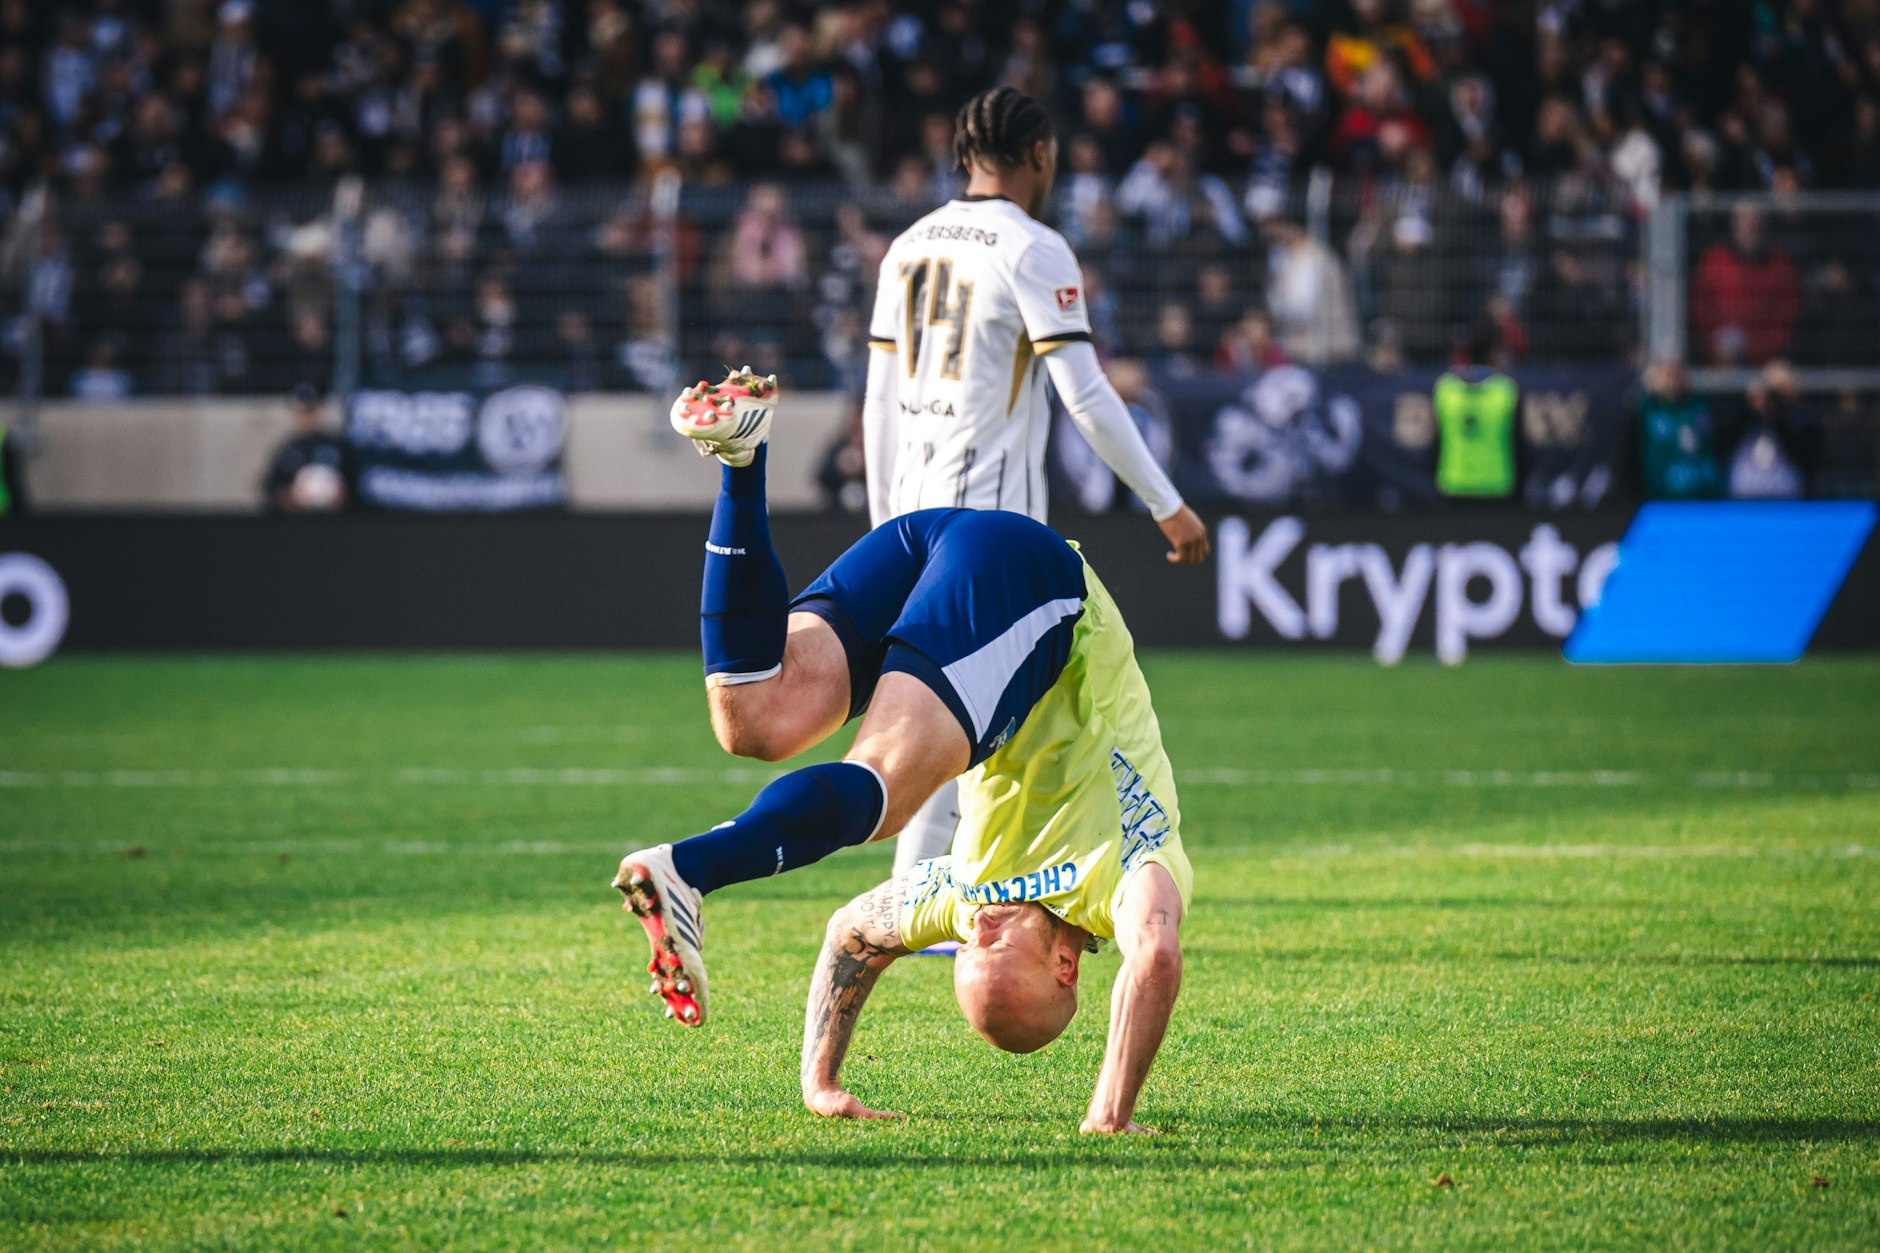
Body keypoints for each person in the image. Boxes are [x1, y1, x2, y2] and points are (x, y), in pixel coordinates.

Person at [613, 369, 1191, 1133]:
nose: (976, 930)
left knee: (754, 719)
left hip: (931, 542)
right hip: (1038, 581)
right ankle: (690, 869)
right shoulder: (1116, 881)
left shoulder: (971, 897)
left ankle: (742, 459)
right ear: (1064, 965)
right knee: (884, 790)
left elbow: (853, 935)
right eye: (993, 946)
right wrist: (1110, 1113)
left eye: (966, 948)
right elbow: (1155, 954)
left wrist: (821, 1080)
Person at [858, 86, 1209, 883]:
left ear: (963, 155)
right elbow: (1087, 394)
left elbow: (877, 401)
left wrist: (884, 531)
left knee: (963, 729)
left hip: (913, 521)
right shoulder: (1032, 246)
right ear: (1042, 155)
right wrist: (1167, 503)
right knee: (989, 731)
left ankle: (974, 901)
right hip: (992, 530)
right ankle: (921, 908)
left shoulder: (908, 245)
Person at [1432, 325, 1519, 501]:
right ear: (1492, 353)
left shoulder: (1445, 389)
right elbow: (1518, 441)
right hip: (1496, 484)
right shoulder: (1506, 390)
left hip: (1453, 483)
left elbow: (1434, 439)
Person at [261, 384, 352, 513]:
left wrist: (342, 495)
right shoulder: (288, 449)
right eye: (302, 412)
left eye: (310, 411)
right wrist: (289, 498)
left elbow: (354, 485)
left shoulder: (337, 446)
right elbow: (270, 488)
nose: (307, 417)